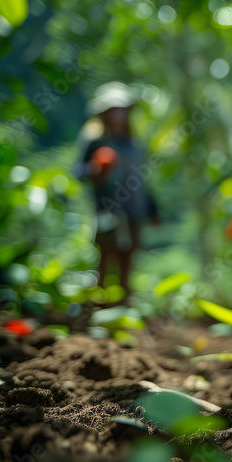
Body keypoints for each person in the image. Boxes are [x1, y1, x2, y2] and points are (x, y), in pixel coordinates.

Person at [76, 81, 159, 303]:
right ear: (104, 112)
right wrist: (94, 170)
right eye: (113, 109)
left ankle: (125, 303)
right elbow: (78, 171)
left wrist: (153, 208)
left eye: (122, 109)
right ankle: (97, 304)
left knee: (128, 257)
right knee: (105, 254)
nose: (118, 114)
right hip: (108, 207)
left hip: (134, 207)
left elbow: (141, 179)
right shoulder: (95, 141)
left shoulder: (132, 143)